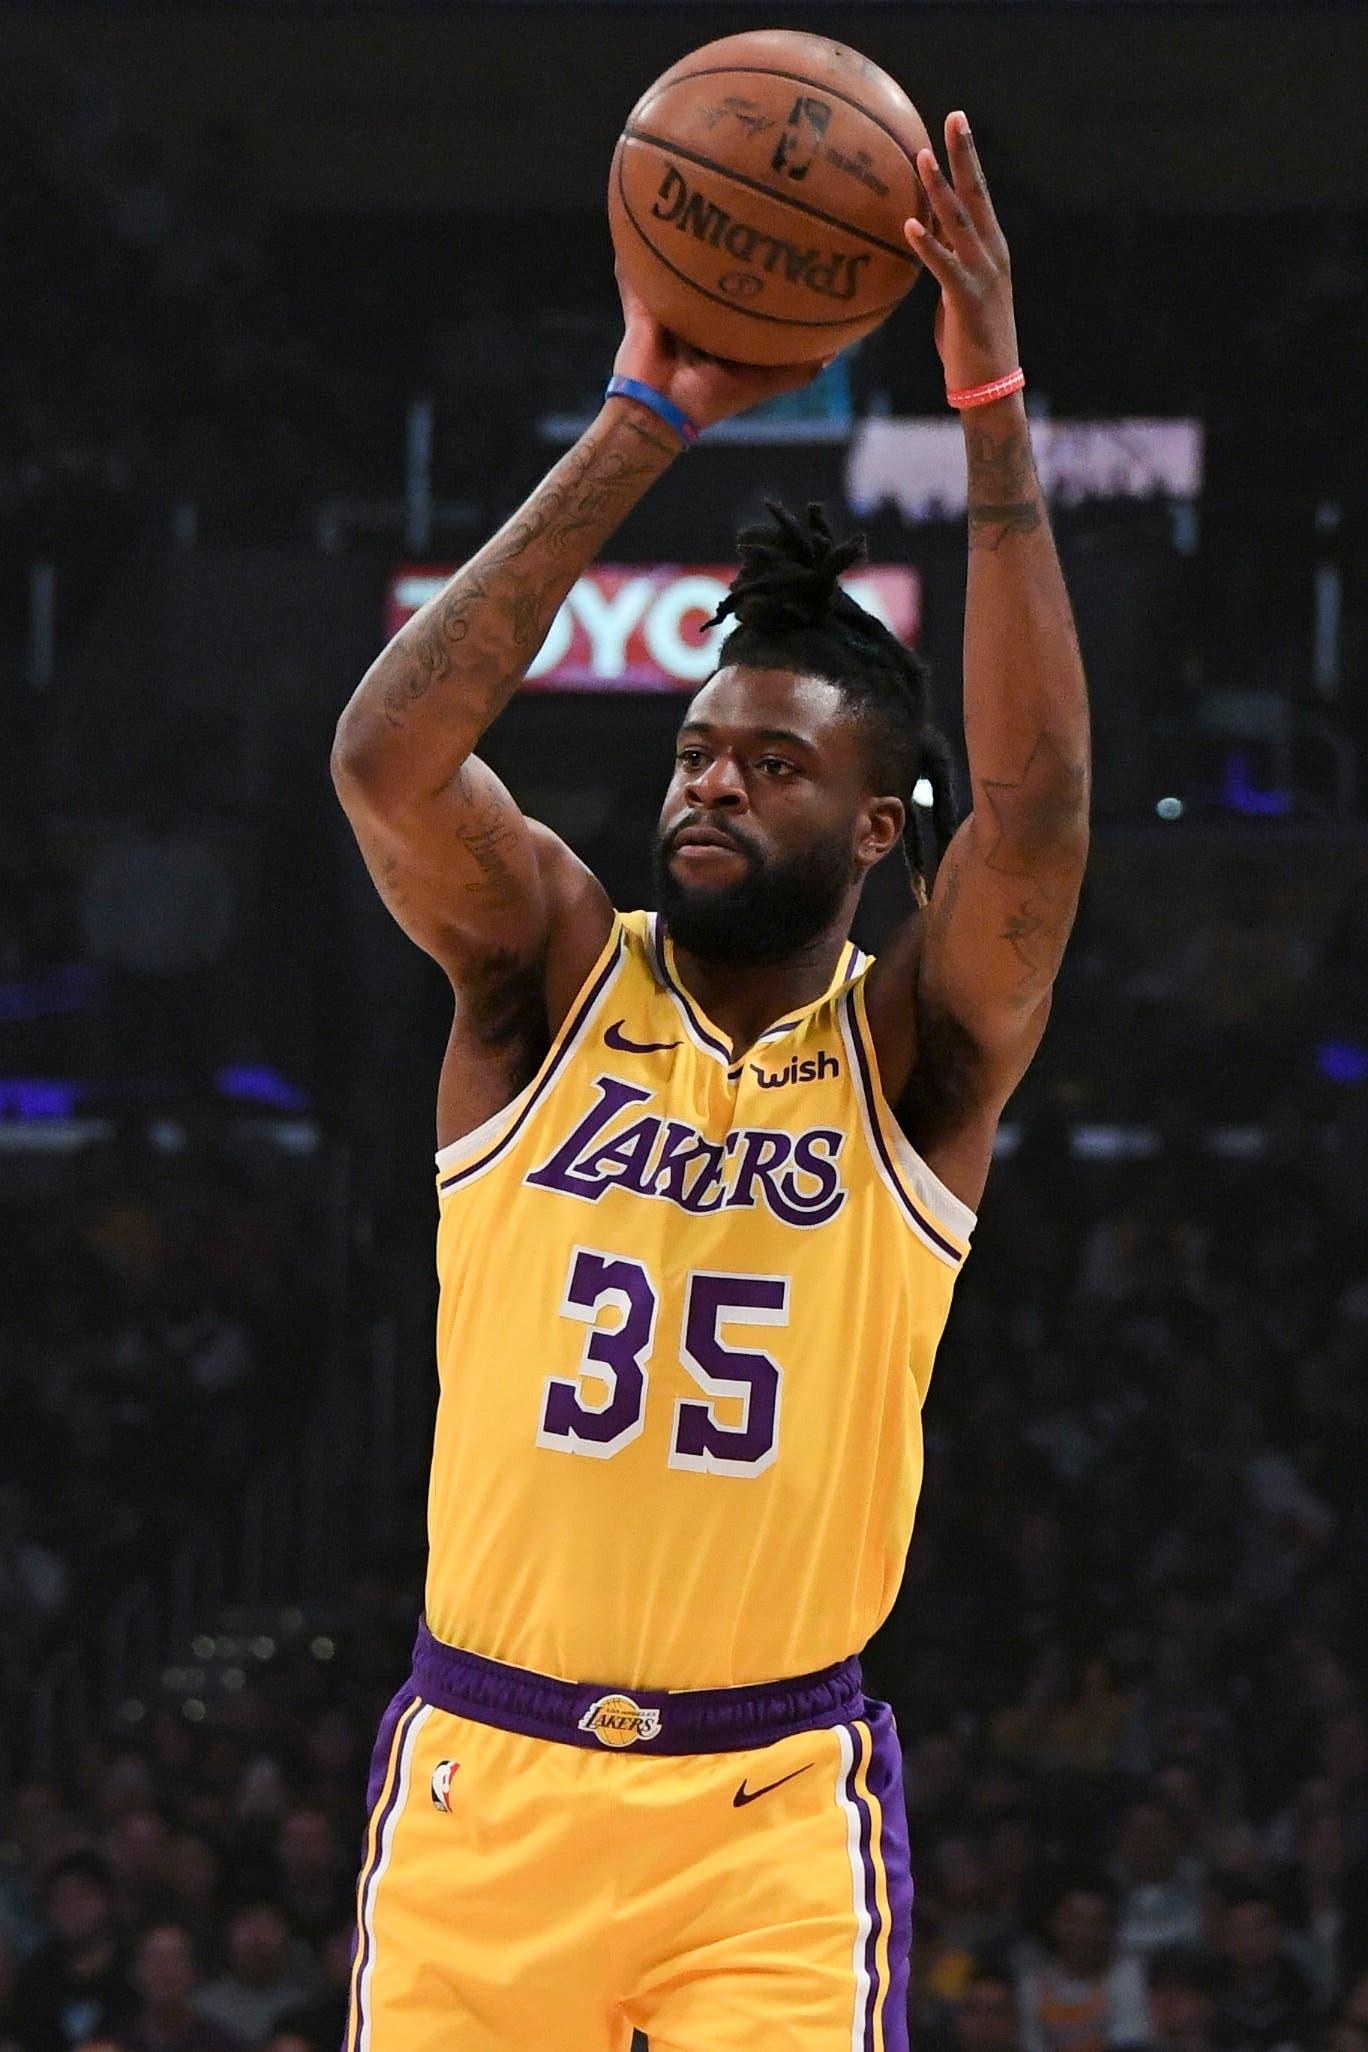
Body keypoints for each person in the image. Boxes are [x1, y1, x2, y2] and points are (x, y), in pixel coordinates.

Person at [331, 112, 1089, 2052]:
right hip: (481, 1793)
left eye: (770, 766)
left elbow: (1047, 813)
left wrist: (992, 419)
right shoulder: (548, 976)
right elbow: (386, 767)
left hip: (765, 1816)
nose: (710, 784)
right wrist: (639, 422)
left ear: (884, 828)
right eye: (693, 754)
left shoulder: (919, 1066)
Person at [11, 1851, 136, 2052]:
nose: (72, 1907)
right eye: (63, 1897)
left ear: (107, 1900)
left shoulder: (132, 1968)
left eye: (83, 1895)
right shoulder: (38, 1969)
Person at [1018, 1877, 1150, 2052]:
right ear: (1054, 1923)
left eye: (1096, 1923)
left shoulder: (1131, 1977)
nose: (1084, 1933)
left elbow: (1128, 2043)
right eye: (1074, 1921)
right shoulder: (1033, 1986)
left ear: (1112, 1927)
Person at [122, 1925, 242, 2052]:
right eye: (153, 1958)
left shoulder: (222, 2044)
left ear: (195, 1973)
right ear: (136, 1973)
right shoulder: (120, 2044)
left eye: (176, 1959)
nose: (164, 1969)